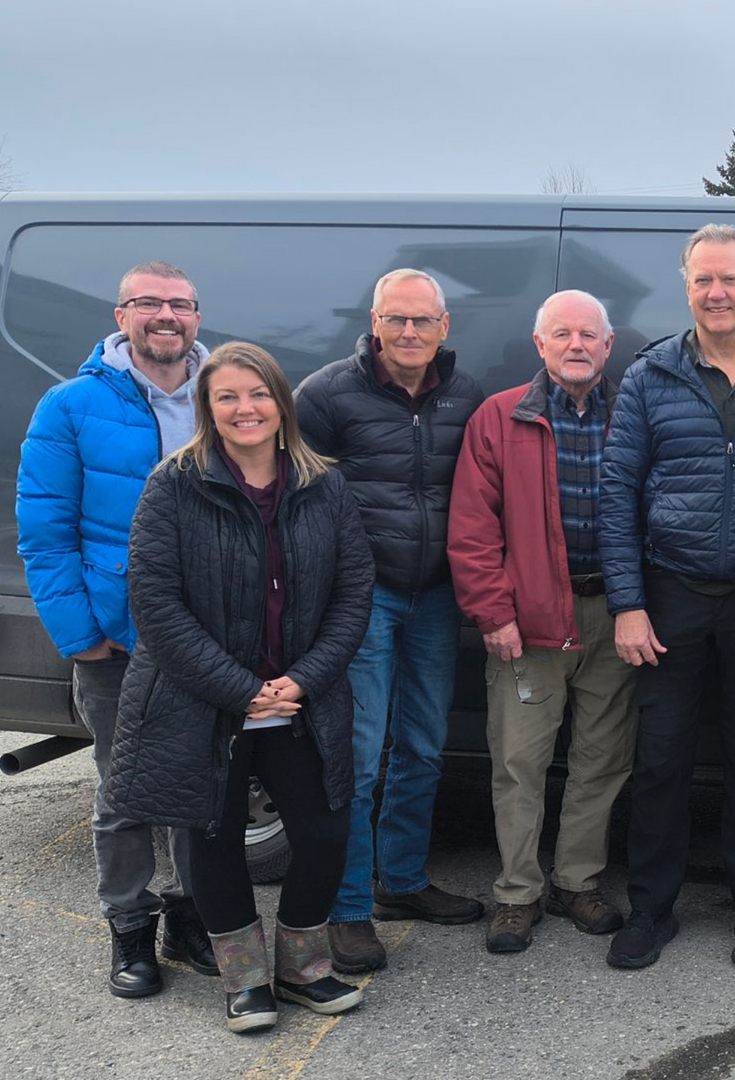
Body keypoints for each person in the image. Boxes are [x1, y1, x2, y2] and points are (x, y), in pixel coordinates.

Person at [105, 342, 374, 1033]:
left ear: (281, 403)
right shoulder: (173, 484)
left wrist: (303, 681)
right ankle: (246, 982)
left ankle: (302, 966)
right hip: (204, 704)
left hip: (300, 703)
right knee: (212, 841)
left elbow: (353, 594)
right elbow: (156, 605)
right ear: (208, 408)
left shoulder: (325, 485)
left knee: (322, 834)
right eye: (227, 396)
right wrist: (239, 688)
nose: (244, 408)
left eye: (257, 394)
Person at [599, 224, 735, 970]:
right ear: (686, 287)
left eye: (729, 279)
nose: (716, 293)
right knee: (660, 760)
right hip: (669, 597)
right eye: (702, 280)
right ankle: (651, 911)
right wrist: (627, 602)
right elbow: (616, 495)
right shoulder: (648, 375)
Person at [16, 261, 218, 997]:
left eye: (180, 304)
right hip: (117, 640)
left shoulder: (226, 398)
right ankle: (129, 932)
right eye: (150, 303)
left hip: (205, 641)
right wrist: (80, 636)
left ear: (198, 316)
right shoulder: (69, 407)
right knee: (124, 793)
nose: (166, 315)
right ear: (121, 313)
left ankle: (189, 918)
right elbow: (45, 534)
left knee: (202, 791)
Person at [295, 269, 487, 973]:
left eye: (423, 321)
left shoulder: (466, 398)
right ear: (374, 322)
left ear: (445, 328)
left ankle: (400, 882)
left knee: (424, 747)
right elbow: (288, 496)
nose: (409, 333)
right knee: (359, 754)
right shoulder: (324, 395)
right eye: (396, 320)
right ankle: (348, 907)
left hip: (437, 595)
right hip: (362, 598)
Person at [449, 291, 636, 954]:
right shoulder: (499, 418)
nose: (577, 344)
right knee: (519, 761)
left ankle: (577, 881)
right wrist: (492, 613)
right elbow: (472, 529)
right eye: (563, 333)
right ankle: (517, 892)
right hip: (527, 622)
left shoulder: (632, 414)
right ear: (540, 345)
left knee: (601, 760)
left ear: (609, 346)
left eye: (590, 333)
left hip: (614, 618)